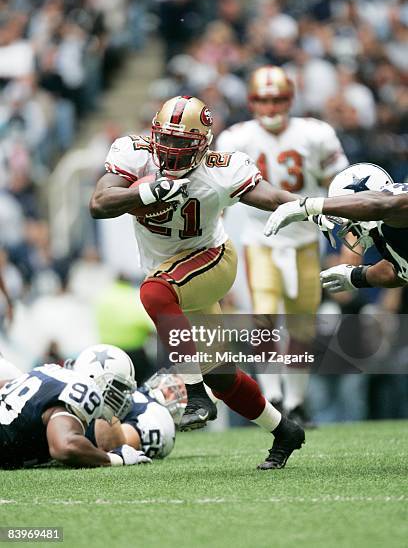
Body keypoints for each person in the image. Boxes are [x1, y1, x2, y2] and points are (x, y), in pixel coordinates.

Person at [89, 94, 312, 469]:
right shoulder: (134, 152)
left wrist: (314, 208)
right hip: (175, 275)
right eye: (168, 139)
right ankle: (285, 430)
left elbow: (270, 195)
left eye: (183, 142)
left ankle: (195, 395)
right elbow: (99, 203)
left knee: (154, 293)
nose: (172, 150)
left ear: (204, 144)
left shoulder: (220, 167)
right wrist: (144, 191)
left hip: (211, 261)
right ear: (155, 133)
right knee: (222, 376)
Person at [216, 66, 349, 426]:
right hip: (261, 238)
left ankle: (297, 400)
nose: (271, 107)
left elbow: (340, 188)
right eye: (263, 99)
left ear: (290, 99)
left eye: (277, 99)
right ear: (251, 102)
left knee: (302, 325)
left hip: (306, 239)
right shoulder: (234, 139)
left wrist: (346, 239)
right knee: (263, 318)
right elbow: (220, 203)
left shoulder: (315, 133)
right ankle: (273, 395)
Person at [0, 344, 150, 469]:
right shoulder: (85, 389)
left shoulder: (50, 370)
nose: (120, 396)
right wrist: (114, 459)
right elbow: (65, 447)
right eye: (118, 387)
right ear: (97, 378)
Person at [264, 162, 408, 290]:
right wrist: (355, 276)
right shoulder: (388, 231)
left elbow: (379, 206)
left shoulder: (394, 206)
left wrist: (310, 205)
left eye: (351, 222)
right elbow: (397, 270)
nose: (353, 233)